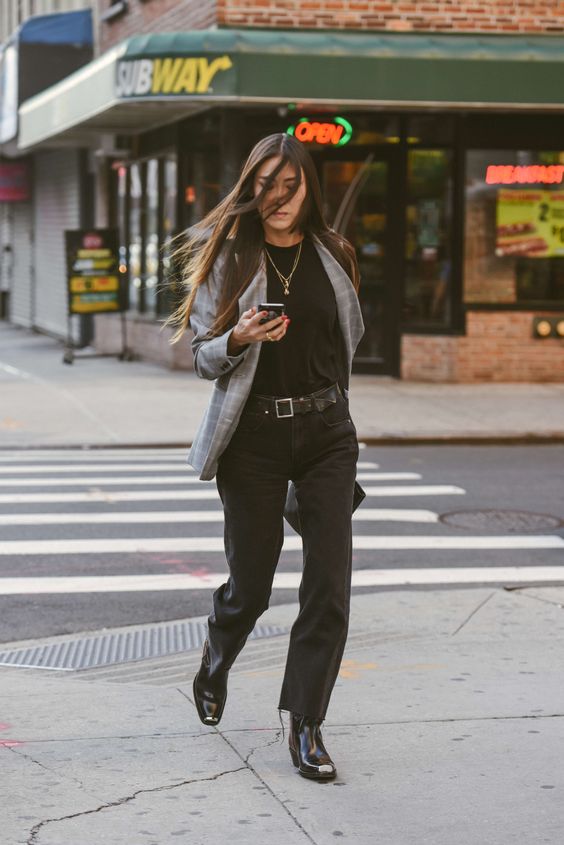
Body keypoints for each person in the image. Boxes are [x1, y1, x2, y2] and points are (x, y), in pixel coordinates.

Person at [169, 132, 364, 781]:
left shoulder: (333, 253)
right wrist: (237, 337)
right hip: (254, 440)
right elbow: (202, 356)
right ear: (252, 189)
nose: (279, 198)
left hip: (327, 433)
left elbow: (347, 339)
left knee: (329, 585)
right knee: (251, 585)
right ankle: (216, 654)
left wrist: (335, 412)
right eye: (267, 186)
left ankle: (307, 723)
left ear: (309, 188)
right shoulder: (229, 258)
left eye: (291, 186)